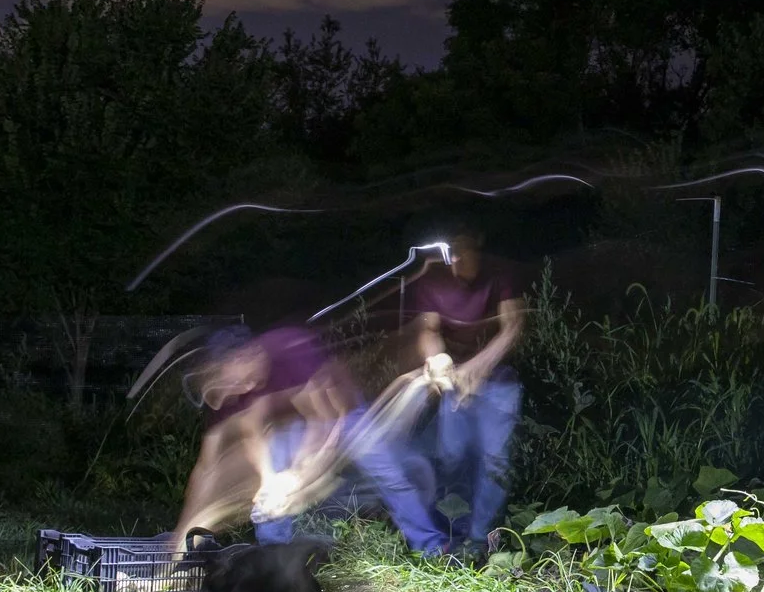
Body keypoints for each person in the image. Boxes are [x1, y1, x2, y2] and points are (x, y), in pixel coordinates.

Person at [171, 323, 438, 553]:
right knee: (269, 495)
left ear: (244, 356)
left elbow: (323, 422)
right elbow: (254, 431)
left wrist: (302, 474)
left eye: (232, 378)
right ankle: (273, 555)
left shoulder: (289, 349)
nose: (236, 389)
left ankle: (432, 547)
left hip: (343, 415)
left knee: (390, 476)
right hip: (294, 426)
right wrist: (268, 479)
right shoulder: (243, 385)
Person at [406, 226, 526, 559]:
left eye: (463, 249)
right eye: (451, 252)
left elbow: (513, 325)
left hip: (498, 382)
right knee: (451, 456)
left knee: (494, 461)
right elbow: (429, 329)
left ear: (479, 243)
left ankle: (482, 541)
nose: (457, 259)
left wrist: (481, 365)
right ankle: (453, 535)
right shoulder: (433, 279)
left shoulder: (500, 272)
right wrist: (436, 358)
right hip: (455, 383)